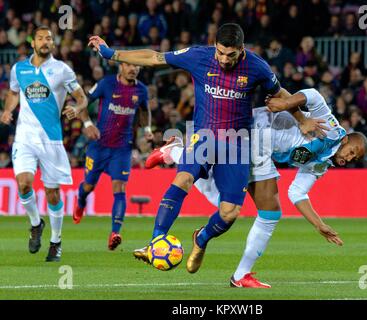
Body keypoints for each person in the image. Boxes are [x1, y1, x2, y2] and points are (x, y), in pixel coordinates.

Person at [88, 23, 326, 273]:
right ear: (214, 46)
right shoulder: (198, 56)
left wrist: (302, 120)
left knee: (230, 213)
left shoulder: (257, 67)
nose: (223, 60)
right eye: (220, 53)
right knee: (183, 178)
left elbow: (280, 94)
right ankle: (155, 240)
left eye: (230, 55)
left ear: (241, 50)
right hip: (204, 135)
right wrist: (111, 53)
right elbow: (154, 57)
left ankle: (201, 239)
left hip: (237, 142)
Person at [143, 88, 367, 287]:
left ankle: (175, 154)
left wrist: (319, 225)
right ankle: (176, 154)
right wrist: (286, 104)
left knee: (230, 209)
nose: (349, 159)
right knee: (258, 209)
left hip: (262, 151)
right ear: (347, 140)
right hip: (255, 129)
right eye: (352, 152)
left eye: (354, 159)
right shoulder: (331, 128)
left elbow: (297, 192)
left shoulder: (321, 165)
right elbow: (314, 96)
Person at [0, 26, 99, 262]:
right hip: (24, 137)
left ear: (53, 45)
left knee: (52, 194)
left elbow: (82, 98)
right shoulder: (19, 69)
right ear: (32, 42)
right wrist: (7, 110)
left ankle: (56, 241)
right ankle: (36, 224)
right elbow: (14, 93)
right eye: (41, 38)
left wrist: (78, 110)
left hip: (51, 140)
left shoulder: (62, 70)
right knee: (24, 184)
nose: (46, 42)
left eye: (49, 39)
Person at [73, 62, 151, 250]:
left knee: (120, 188)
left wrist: (147, 129)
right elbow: (83, 102)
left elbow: (144, 110)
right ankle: (81, 200)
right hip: (99, 147)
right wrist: (87, 124)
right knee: (88, 186)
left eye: (136, 66)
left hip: (122, 149)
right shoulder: (106, 84)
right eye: (128, 65)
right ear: (120, 67)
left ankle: (115, 232)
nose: (133, 69)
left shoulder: (141, 90)